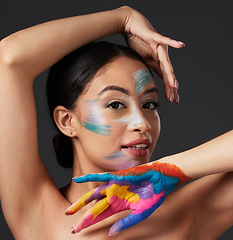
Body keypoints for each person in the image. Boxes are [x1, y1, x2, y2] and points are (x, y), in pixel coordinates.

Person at [0, 5, 232, 240]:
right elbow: (11, 57)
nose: (142, 123)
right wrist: (124, 19)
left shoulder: (185, 213)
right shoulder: (36, 210)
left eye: (149, 105)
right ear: (67, 121)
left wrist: (166, 170)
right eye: (115, 104)